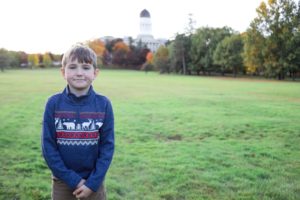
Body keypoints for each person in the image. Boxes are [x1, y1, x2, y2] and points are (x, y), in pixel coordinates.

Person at [41, 44, 114, 200]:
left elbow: (107, 147)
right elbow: (48, 147)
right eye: (73, 67)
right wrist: (73, 180)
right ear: (63, 72)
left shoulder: (104, 104)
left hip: (94, 182)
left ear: (95, 73)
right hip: (63, 182)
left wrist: (92, 183)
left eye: (86, 68)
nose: (79, 73)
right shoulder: (53, 104)